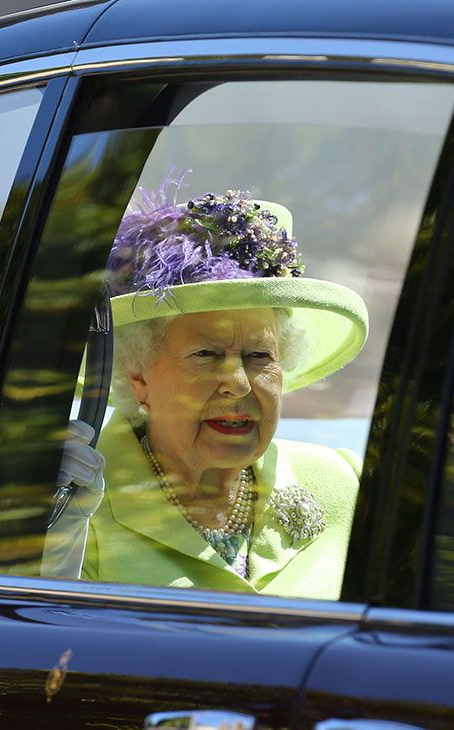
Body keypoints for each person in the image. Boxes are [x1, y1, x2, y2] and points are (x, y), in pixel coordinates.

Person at [49, 180, 369, 600]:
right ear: (138, 377)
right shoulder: (72, 508)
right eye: (205, 354)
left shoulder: (343, 481)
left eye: (259, 356)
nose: (237, 384)